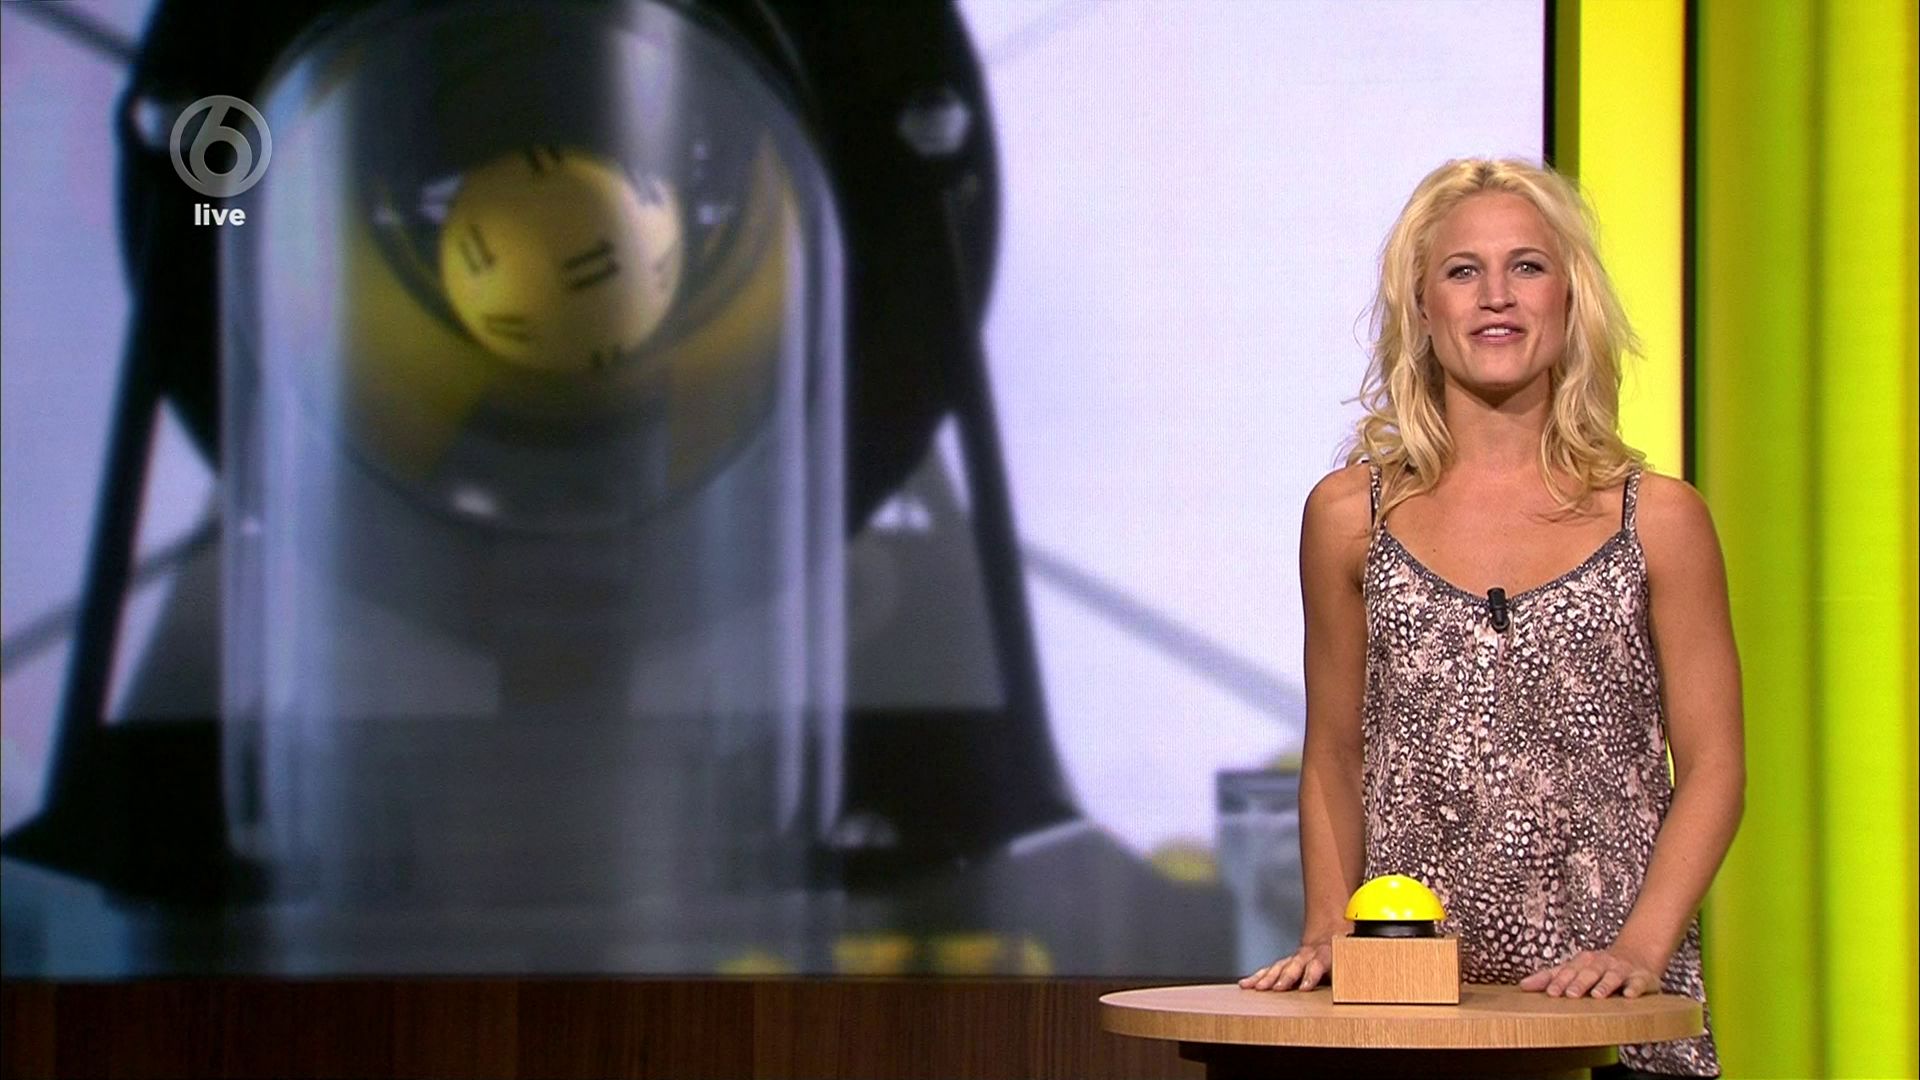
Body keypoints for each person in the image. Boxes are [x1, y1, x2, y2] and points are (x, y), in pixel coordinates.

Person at [1238, 158, 1744, 1078]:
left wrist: (1638, 952)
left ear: (1569, 298)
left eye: (1528, 266)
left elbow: (1713, 767)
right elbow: (1335, 754)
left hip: (1612, 1016)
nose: (1496, 296)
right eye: (1463, 271)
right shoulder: (1351, 518)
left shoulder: (1659, 520)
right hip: (1411, 1015)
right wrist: (1326, 931)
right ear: (1422, 307)